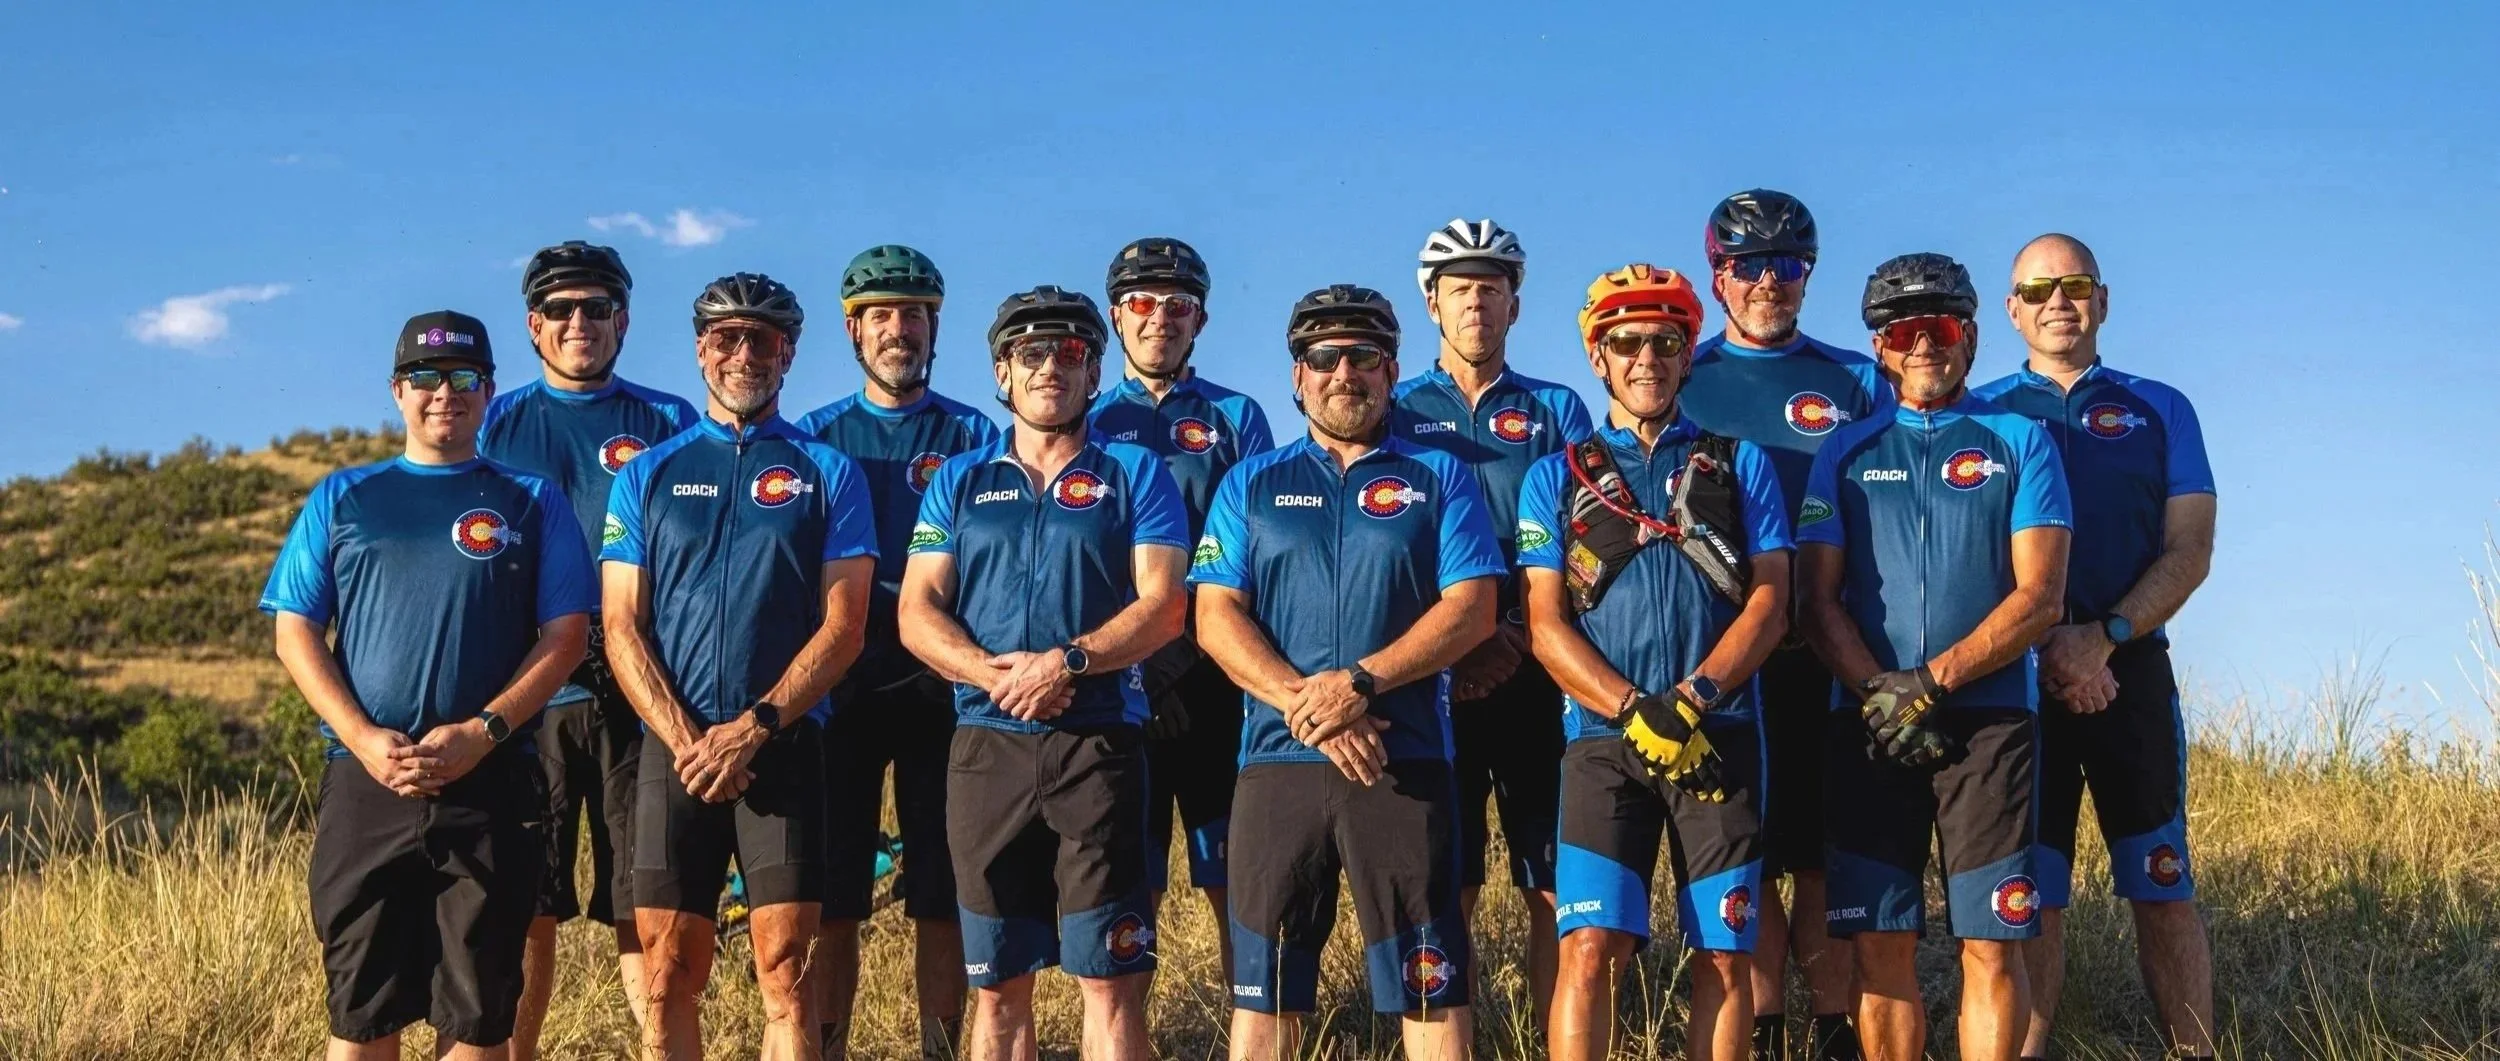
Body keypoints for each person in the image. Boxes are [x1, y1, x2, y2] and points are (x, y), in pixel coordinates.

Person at [263, 310, 593, 1061]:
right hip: (367, 784)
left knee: (479, 1022)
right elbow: (294, 631)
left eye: (464, 378)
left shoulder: (532, 500)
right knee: (361, 1017)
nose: (445, 393)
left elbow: (566, 637)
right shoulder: (344, 496)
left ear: (489, 391)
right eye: (425, 378)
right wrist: (364, 739)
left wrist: (483, 733)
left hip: (494, 783)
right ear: (397, 391)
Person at [1193, 284, 1502, 1061]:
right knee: (1264, 1001)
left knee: (1431, 990)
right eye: (1323, 357)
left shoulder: (1439, 477)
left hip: (1403, 760)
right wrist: (1310, 701)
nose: (1344, 373)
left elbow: (1472, 607)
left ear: (1392, 370)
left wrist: (1358, 683)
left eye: (1363, 357)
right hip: (1278, 761)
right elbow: (1214, 616)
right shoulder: (1250, 483)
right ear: (1297, 375)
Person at [897, 286, 1189, 1061]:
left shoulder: (1135, 471)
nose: (1050, 367)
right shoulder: (960, 478)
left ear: (1095, 371)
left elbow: (1164, 606)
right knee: (998, 990)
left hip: (1096, 743)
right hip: (986, 744)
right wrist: (996, 676)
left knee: (1112, 984)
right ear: (1003, 371)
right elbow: (917, 611)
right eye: (1032, 353)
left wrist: (1067, 660)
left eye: (1070, 354)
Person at [1794, 253, 2071, 1061]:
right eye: (1904, 331)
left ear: (1973, 335)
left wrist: (1932, 681)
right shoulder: (1841, 450)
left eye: (1941, 326)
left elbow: (2042, 596)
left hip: (1989, 721)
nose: (1924, 345)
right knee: (1881, 946)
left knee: (1990, 942)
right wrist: (1884, 692)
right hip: (1870, 719)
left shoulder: (2022, 440)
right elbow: (1817, 601)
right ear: (1878, 346)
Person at [1518, 265, 1793, 1061]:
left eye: (1667, 341)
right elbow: (1543, 622)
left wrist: (1696, 695)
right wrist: (1638, 706)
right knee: (1589, 948)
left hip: (1721, 734)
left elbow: (1772, 600)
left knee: (1724, 952)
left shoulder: (1739, 464)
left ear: (1686, 352)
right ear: (1598, 356)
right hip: (1605, 742)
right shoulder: (1555, 476)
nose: (1648, 358)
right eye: (1627, 342)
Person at [600, 273, 878, 1061]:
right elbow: (621, 624)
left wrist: (751, 729)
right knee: (666, 974)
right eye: (727, 337)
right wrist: (692, 736)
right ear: (700, 350)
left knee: (787, 971)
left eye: (763, 338)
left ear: (789, 351)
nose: (744, 352)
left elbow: (846, 624)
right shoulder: (646, 473)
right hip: (673, 752)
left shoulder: (828, 471)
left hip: (783, 747)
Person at [1973, 234, 2218, 1061]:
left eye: (2074, 286)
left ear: (2103, 299)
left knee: (2163, 886)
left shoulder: (2163, 408)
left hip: (2132, 673)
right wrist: (2045, 647)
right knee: (2031, 898)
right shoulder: (1979, 412)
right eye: (2037, 290)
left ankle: (2194, 1051)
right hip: (2018, 683)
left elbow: (2190, 548)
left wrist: (2105, 637)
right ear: (2011, 310)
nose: (2057, 303)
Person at [1676, 188, 1888, 1061]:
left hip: (1830, 649)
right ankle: (1761, 1028)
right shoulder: (1679, 372)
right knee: (1751, 854)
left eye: (1788, 265)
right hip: (1726, 655)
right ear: (1717, 276)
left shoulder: (1853, 377)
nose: (1770, 282)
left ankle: (1834, 1026)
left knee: (1820, 852)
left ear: (1809, 275)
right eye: (1750, 266)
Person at [479, 241, 697, 1060]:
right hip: (527, 695)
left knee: (639, 901)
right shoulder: (496, 423)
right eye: (563, 309)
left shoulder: (670, 422)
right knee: (527, 903)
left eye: (598, 308)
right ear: (534, 325)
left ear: (624, 321)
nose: (581, 323)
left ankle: (656, 1047)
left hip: (639, 699)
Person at [1390, 219, 1593, 1027]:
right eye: (1461, 289)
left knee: (1553, 884)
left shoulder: (1556, 407)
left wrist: (1515, 629)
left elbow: (1594, 538)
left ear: (1515, 303)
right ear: (1433, 304)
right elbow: (1387, 542)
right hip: (1435, 678)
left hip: (1538, 670)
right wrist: (1457, 643)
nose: (1478, 301)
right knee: (1452, 884)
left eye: (1493, 287)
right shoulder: (1396, 407)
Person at [795, 244, 997, 1059]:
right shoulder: (815, 437)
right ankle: (832, 1044)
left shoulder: (976, 432)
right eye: (881, 315)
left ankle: (940, 1047)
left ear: (934, 325)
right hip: (840, 689)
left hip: (942, 688)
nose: (898, 329)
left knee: (943, 894)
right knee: (833, 895)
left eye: (913, 314)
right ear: (853, 330)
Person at [1086, 236, 1275, 982]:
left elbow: (1259, 539)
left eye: (1177, 305)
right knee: (1131, 878)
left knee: (1236, 872)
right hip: (1123, 676)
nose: (1159, 317)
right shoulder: (1091, 417)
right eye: (1142, 303)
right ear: (1116, 317)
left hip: (1215, 671)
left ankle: (1250, 1020)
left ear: (1199, 319)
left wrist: (1195, 644)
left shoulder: (1237, 415)